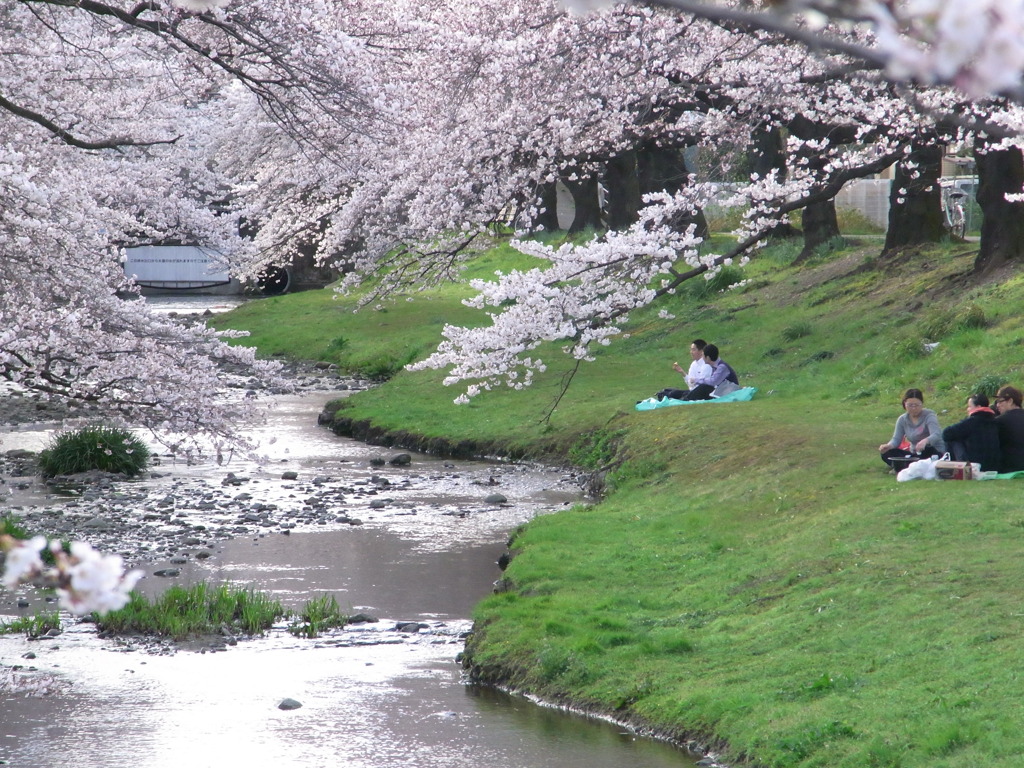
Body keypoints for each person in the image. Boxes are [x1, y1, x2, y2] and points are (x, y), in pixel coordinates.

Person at [878, 388, 945, 469]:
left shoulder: (929, 416)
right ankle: (908, 465)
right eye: (910, 405)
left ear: (922, 404)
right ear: (904, 404)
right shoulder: (902, 419)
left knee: (927, 450)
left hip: (932, 451)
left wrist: (925, 441)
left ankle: (902, 466)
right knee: (887, 453)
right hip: (914, 454)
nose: (914, 408)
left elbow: (936, 434)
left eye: (917, 405)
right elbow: (896, 439)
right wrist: (888, 446)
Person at [941, 393, 1000, 472]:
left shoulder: (972, 422)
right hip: (993, 465)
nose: (967, 409)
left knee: (952, 439)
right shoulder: (995, 420)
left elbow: (946, 434)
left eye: (969, 406)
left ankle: (952, 469)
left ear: (978, 407)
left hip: (975, 465)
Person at [994, 385, 1024, 473]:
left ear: (1010, 401)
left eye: (1000, 401)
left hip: (1009, 467)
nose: (997, 405)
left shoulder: (999, 421)